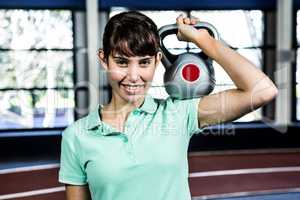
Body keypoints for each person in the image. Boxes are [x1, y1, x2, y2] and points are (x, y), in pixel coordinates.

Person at [58, 11, 278, 200]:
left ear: (157, 60)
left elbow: (262, 91)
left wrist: (206, 41)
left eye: (144, 62)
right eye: (122, 62)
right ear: (104, 59)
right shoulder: (76, 136)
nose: (134, 76)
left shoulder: (179, 113)